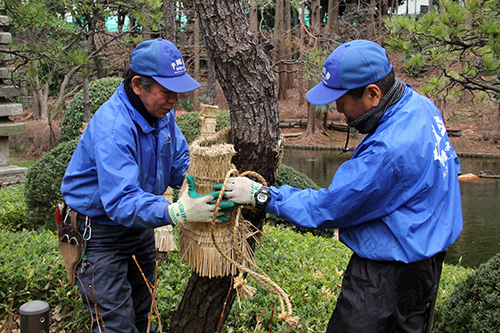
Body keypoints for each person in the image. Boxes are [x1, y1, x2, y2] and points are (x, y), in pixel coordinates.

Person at [218, 40, 463, 332]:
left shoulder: (387, 152)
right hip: (428, 266)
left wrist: (262, 195)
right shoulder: (422, 107)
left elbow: (330, 207)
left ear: (373, 93)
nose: (336, 108)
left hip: (385, 277)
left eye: (342, 99)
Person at [61, 38, 231, 332]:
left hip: (139, 229)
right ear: (139, 85)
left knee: (144, 315)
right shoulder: (114, 129)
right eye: (167, 92)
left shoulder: (160, 113)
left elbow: (179, 162)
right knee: (116, 325)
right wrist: (176, 211)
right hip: (100, 234)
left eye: (178, 92)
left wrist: (207, 185)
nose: (174, 100)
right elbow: (121, 201)